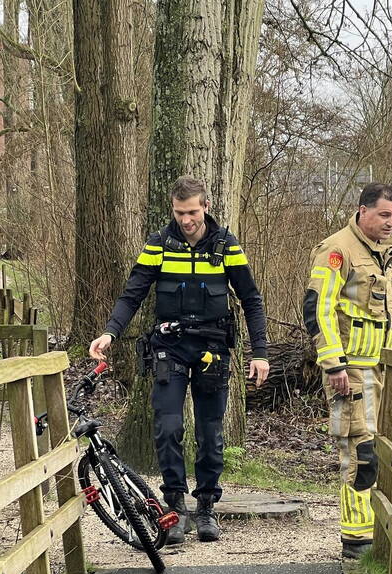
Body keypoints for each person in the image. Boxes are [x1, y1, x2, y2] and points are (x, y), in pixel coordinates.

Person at [88, 176, 269, 544]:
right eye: (179, 212)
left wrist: (260, 353)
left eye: (192, 212)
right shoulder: (158, 244)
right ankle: (174, 508)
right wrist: (110, 332)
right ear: (172, 209)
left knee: (210, 433)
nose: (186, 220)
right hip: (169, 346)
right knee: (168, 426)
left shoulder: (226, 246)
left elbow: (251, 300)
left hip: (213, 348)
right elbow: (132, 294)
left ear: (205, 206)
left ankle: (205, 508)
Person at [304, 183, 392, 560]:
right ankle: (357, 541)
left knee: (382, 450)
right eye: (384, 215)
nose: (391, 222)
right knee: (360, 453)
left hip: (383, 369)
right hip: (351, 371)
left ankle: (376, 533)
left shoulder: (383, 254)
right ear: (362, 210)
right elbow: (319, 308)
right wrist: (333, 364)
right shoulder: (337, 250)